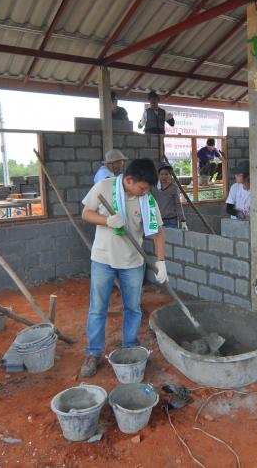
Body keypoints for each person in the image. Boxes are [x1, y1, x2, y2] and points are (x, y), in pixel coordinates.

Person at [80, 158, 168, 377]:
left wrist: (161, 261)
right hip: (103, 259)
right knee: (98, 308)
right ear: (129, 180)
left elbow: (158, 232)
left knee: (133, 307)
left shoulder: (146, 199)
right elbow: (85, 213)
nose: (145, 192)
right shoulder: (104, 187)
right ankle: (93, 353)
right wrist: (106, 220)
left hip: (132, 262)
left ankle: (130, 345)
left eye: (148, 188)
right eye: (142, 187)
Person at [152, 162, 187, 230]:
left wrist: (183, 220)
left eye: (166, 174)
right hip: (158, 220)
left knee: (172, 239)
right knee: (160, 240)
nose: (164, 176)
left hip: (172, 220)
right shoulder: (154, 187)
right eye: (161, 174)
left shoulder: (174, 188)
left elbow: (178, 204)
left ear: (170, 175)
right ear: (158, 175)